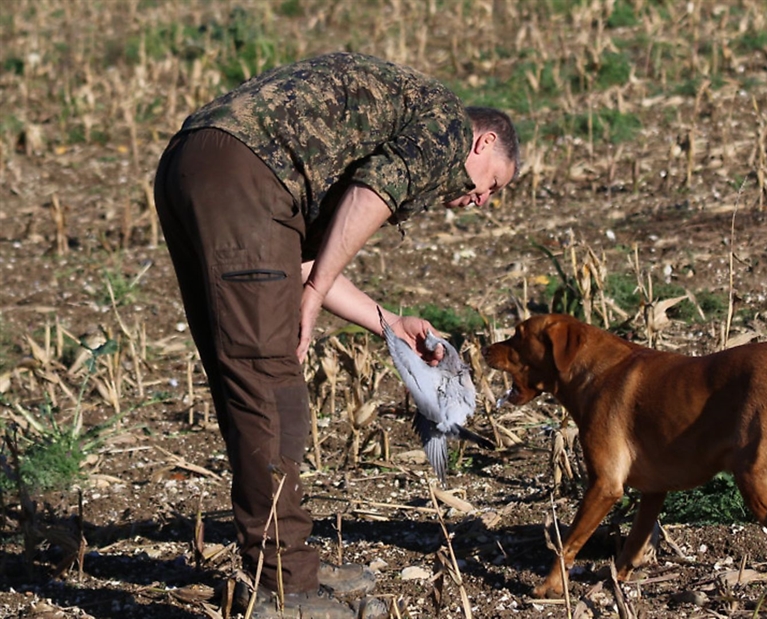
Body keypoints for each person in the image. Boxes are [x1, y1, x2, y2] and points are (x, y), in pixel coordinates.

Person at [153, 52, 519, 619]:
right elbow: (369, 198)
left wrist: (387, 322)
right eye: (493, 185)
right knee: (273, 389)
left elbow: (295, 256)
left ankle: (282, 562)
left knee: (248, 382)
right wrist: (318, 293)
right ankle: (284, 586)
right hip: (243, 179)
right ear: (483, 142)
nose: (482, 203)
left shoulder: (393, 120)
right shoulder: (445, 125)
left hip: (200, 163)